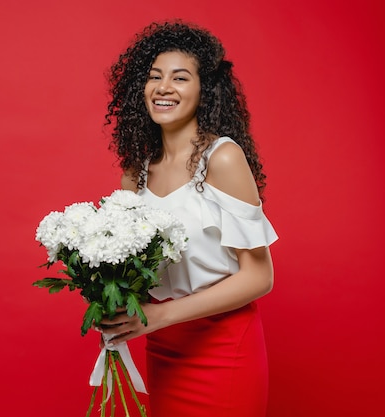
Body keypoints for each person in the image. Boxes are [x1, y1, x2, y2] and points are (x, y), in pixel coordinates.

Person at [98, 21, 278, 417]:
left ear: (204, 90)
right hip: (162, 346)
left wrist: (159, 315)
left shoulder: (222, 158)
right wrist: (111, 296)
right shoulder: (136, 172)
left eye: (180, 78)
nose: (163, 88)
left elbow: (259, 276)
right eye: (154, 77)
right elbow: (131, 266)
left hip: (223, 345)